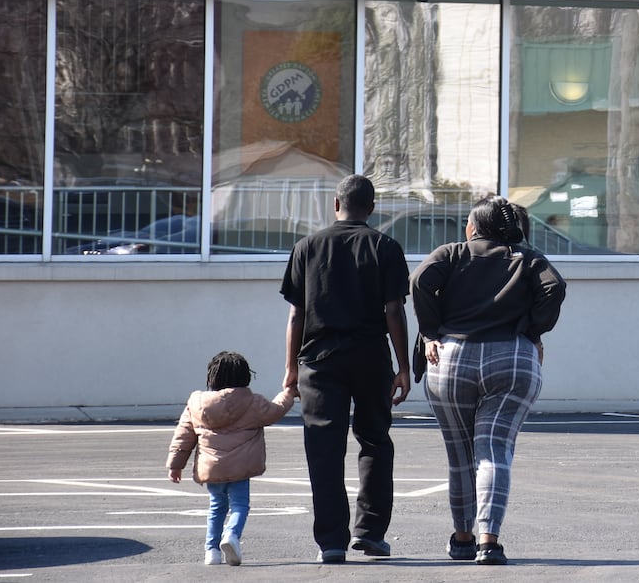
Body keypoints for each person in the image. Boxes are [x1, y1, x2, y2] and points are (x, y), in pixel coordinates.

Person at [280, 173, 411, 563]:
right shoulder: (386, 246)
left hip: (319, 362)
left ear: (336, 204)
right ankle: (370, 533)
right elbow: (394, 310)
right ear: (371, 209)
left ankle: (332, 542)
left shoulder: (307, 247)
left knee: (324, 449)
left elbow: (296, 314)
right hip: (371, 357)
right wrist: (403, 367)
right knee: (374, 441)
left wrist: (290, 367)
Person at [410, 196, 547, 567]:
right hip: (511, 358)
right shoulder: (527, 258)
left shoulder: (452, 253)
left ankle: (463, 538)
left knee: (460, 457)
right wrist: (533, 331)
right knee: (494, 451)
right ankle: (490, 542)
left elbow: (419, 280)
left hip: (451, 358)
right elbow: (554, 289)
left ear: (473, 228)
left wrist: (430, 331)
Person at [165, 351, 295, 566]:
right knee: (240, 505)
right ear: (245, 376)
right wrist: (288, 393)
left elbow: (183, 435)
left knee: (216, 506)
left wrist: (175, 465)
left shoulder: (197, 403)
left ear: (212, 377)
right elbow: (277, 410)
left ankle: (211, 551)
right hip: (240, 468)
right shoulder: (252, 402)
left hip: (212, 469)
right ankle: (232, 535)